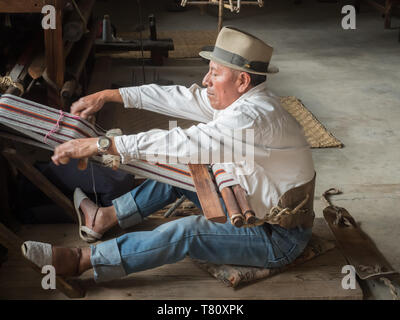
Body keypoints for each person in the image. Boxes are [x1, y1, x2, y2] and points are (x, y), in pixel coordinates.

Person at [22, 27, 315, 283]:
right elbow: (177, 96)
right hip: (248, 202)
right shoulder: (240, 100)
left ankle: (81, 260)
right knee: (182, 172)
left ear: (242, 81)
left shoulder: (253, 117)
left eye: (214, 73)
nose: (205, 80)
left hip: (275, 238)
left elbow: (185, 141)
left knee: (186, 232)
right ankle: (105, 217)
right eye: (208, 70)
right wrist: (109, 95)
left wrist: (101, 145)